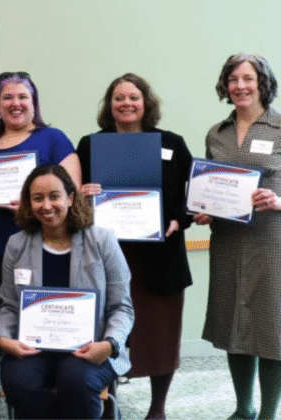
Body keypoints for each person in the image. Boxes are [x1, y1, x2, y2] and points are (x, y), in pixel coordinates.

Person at [76, 73, 193, 419]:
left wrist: (179, 219)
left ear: (146, 104)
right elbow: (71, 195)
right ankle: (106, 400)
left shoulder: (171, 142)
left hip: (160, 256)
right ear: (109, 105)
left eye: (134, 97)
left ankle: (157, 408)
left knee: (160, 333)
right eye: (118, 98)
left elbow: (190, 193)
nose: (126, 103)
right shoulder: (89, 144)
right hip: (108, 256)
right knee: (106, 330)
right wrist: (82, 195)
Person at [0, 165, 133, 419]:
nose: (46, 205)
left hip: (91, 345)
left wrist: (110, 344)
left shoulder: (102, 240)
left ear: (70, 198)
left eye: (54, 196)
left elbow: (121, 307)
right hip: (33, 346)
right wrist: (4, 339)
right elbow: (9, 305)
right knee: (18, 381)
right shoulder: (17, 244)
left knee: (76, 380)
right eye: (37, 198)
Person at [196, 53, 281, 420]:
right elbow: (207, 186)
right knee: (234, 323)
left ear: (263, 83)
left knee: (271, 326)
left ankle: (268, 413)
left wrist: (279, 199)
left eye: (248, 78)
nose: (240, 86)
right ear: (225, 85)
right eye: (233, 79)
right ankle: (242, 408)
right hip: (228, 241)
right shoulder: (217, 133)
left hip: (272, 241)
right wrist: (201, 207)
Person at [0, 72, 81, 274]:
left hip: (43, 246)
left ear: (34, 103)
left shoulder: (54, 139)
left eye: (23, 97)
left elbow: (73, 195)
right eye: (7, 98)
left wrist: (29, 209)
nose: (15, 103)